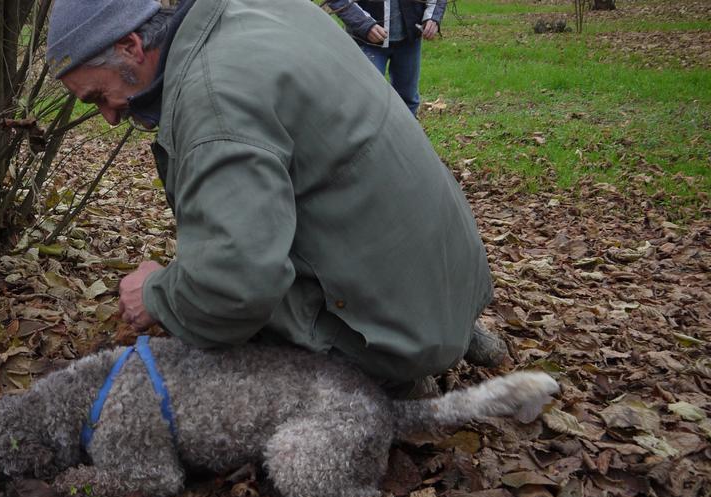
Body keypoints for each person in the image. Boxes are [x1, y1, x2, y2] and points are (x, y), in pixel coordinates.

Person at [46, 0, 507, 390]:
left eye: (98, 96)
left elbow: (235, 290)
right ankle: (447, 327)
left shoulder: (214, 98)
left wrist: (157, 293)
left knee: (224, 323)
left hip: (400, 331)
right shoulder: (254, 10)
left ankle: (392, 373)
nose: (107, 117)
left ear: (131, 45)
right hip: (451, 274)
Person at [324, 0, 448, 117]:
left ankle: (405, 138)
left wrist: (432, 16)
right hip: (366, 42)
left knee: (407, 101)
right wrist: (364, 23)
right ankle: (371, 140)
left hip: (409, 40)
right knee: (368, 103)